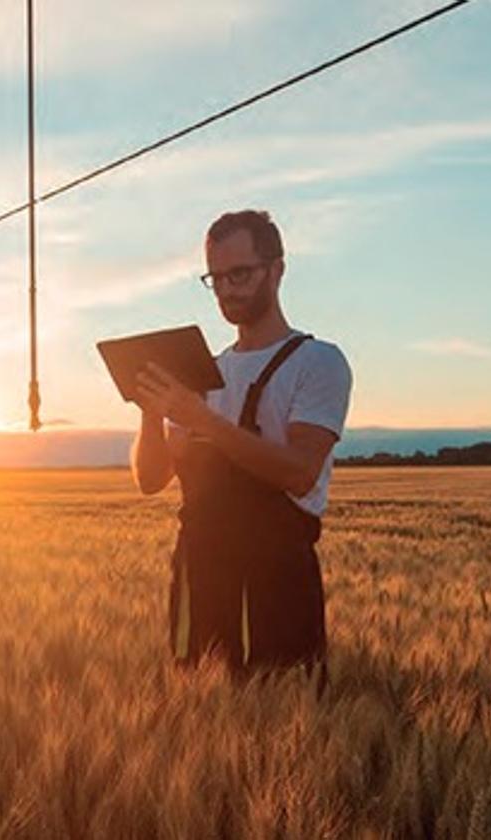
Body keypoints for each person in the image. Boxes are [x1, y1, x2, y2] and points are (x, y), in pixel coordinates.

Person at [129, 209, 353, 689]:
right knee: (200, 713)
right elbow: (151, 480)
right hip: (200, 576)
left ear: (277, 269)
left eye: (241, 274)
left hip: (276, 578)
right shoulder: (202, 371)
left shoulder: (318, 362)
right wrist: (150, 408)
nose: (228, 290)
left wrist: (202, 418)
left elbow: (300, 472)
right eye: (216, 278)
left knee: (283, 711)